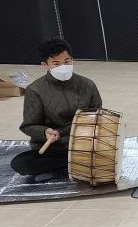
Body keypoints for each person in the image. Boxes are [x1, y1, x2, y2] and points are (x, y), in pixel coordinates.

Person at [10, 38, 102, 181]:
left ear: (72, 60)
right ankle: (73, 167)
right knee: (21, 163)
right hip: (55, 148)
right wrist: (45, 132)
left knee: (107, 152)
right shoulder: (35, 90)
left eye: (67, 61)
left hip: (84, 144)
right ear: (45, 65)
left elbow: (98, 116)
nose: (63, 66)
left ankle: (62, 170)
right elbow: (28, 126)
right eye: (56, 63)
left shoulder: (87, 85)